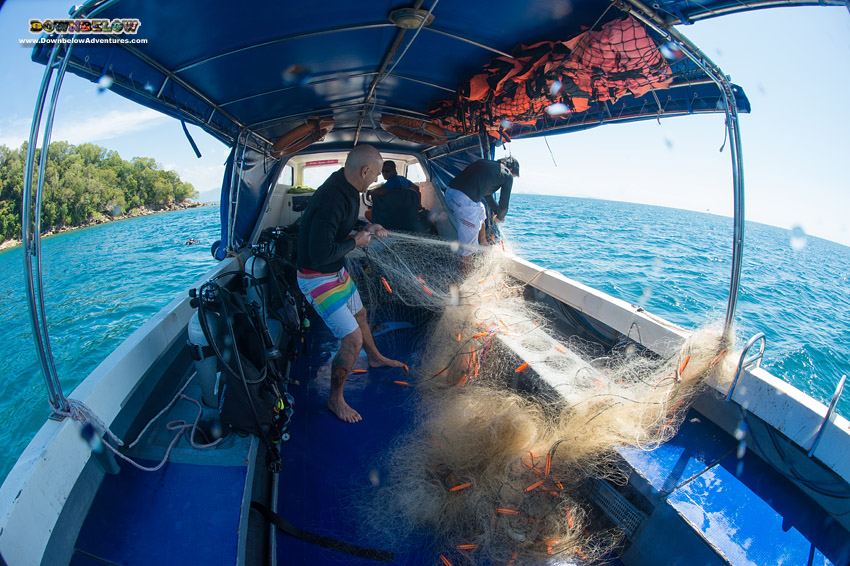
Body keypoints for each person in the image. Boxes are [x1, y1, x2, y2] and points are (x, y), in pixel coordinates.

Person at [296, 144, 404, 423]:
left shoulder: (343, 185)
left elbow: (339, 227)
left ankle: (376, 358)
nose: (378, 179)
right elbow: (320, 253)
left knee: (361, 315)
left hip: (335, 272)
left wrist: (365, 228)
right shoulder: (333, 197)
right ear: (365, 170)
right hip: (316, 277)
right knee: (352, 340)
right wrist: (356, 241)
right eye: (377, 173)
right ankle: (335, 399)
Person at [444, 156, 519, 265]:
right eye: (514, 175)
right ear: (511, 169)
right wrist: (500, 217)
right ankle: (467, 278)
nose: (512, 177)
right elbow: (504, 206)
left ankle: (483, 242)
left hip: (450, 193)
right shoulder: (507, 174)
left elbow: (487, 196)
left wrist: (497, 212)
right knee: (467, 248)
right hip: (464, 201)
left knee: (481, 210)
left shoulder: (487, 165)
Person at [369, 160, 426, 232]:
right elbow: (416, 189)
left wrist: (370, 192)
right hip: (407, 216)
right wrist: (418, 204)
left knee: (368, 214)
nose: (384, 173)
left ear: (394, 170)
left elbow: (381, 192)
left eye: (387, 171)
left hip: (391, 216)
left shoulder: (392, 181)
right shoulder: (402, 179)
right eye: (382, 171)